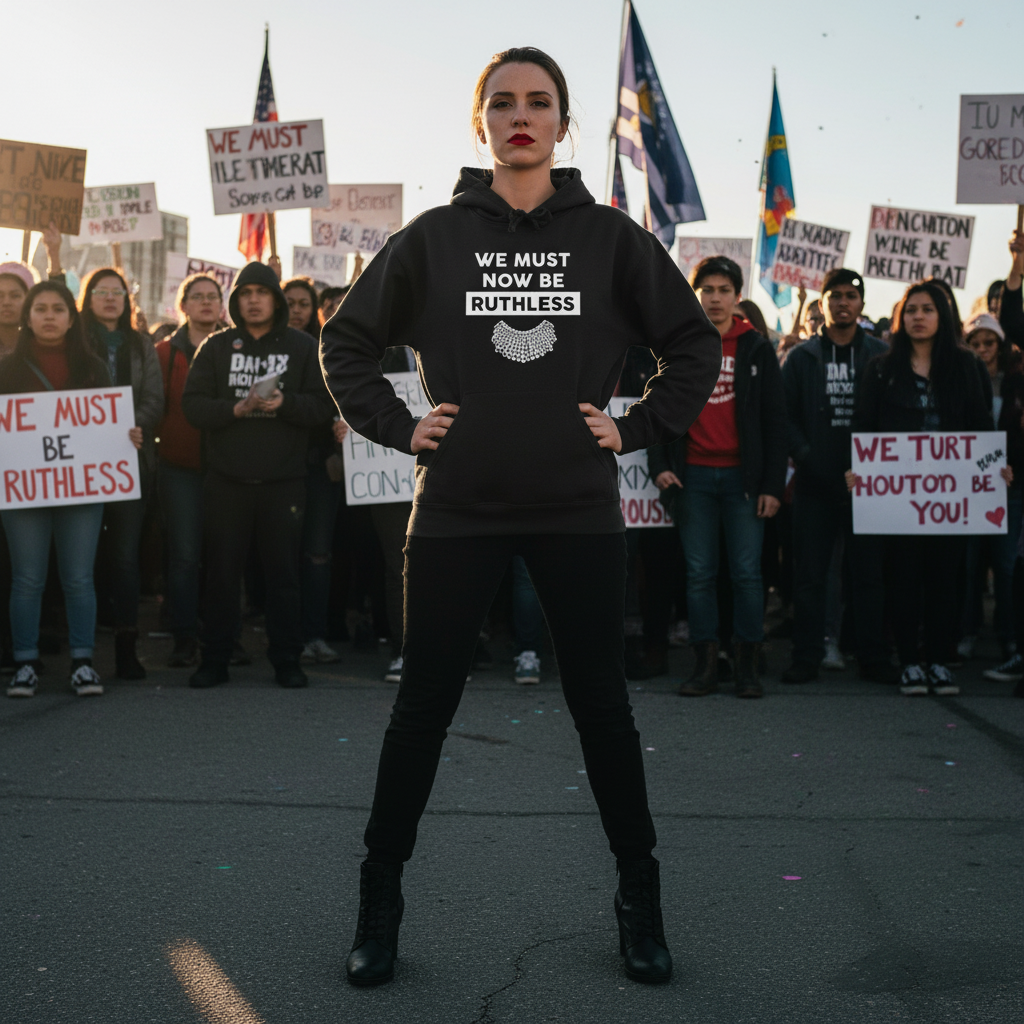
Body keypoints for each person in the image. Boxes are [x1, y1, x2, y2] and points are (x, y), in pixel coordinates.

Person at [320, 46, 720, 986]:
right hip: (457, 509)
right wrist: (401, 425)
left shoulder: (613, 238)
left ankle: (639, 899)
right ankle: (379, 902)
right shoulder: (433, 236)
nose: (520, 116)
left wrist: (637, 429)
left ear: (564, 123)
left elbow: (692, 344)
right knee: (421, 713)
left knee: (603, 714)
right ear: (481, 124)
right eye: (502, 103)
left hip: (577, 510)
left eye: (539, 102)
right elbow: (346, 341)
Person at [181, 262, 335, 689]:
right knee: (222, 576)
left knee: (283, 577)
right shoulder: (215, 347)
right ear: (236, 301)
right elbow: (192, 407)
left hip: (283, 484)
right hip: (226, 483)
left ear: (276, 300)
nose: (252, 300)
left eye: (261, 292)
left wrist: (283, 403)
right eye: (245, 293)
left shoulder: (304, 348)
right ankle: (215, 658)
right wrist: (235, 409)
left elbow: (323, 408)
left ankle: (287, 659)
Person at [649, 255, 787, 699]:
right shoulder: (681, 345)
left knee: (748, 575)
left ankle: (746, 665)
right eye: (706, 289)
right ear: (696, 295)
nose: (715, 298)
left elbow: (774, 421)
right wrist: (661, 465)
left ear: (737, 295)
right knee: (699, 574)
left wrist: (771, 486)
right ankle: (705, 665)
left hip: (743, 483)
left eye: (723, 290)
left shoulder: (757, 348)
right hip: (694, 479)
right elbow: (659, 406)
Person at [851, 281, 996, 696]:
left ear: (942, 316)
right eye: (911, 309)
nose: (918, 316)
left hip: (953, 500)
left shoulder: (966, 366)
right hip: (897, 501)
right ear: (901, 318)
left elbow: (981, 426)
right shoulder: (881, 368)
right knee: (903, 579)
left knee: (945, 580)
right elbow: (864, 426)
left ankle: (938, 659)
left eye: (927, 309)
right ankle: (910, 662)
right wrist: (858, 469)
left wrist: (994, 467)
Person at [1, 280, 142, 697]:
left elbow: (108, 423)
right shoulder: (6, 369)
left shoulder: (94, 366)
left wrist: (126, 435)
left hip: (81, 489)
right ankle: (25, 663)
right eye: (40, 308)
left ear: (70, 317)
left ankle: (82, 662)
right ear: (27, 317)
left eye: (57, 309)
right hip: (24, 488)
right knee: (27, 579)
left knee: (79, 578)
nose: (48, 316)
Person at [781, 268, 895, 683]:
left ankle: (873, 657)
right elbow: (785, 416)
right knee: (809, 576)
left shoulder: (880, 356)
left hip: (869, 485)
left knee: (868, 576)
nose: (843, 302)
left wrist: (875, 466)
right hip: (814, 481)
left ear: (862, 304)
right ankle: (806, 656)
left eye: (851, 295)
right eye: (835, 296)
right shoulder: (801, 358)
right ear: (823, 303)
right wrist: (809, 458)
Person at [79, 267, 163, 679]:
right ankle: (83, 649)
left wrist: (134, 424)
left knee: (126, 558)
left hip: (131, 460)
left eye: (117, 291)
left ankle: (126, 646)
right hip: (80, 464)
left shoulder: (140, 344)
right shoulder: (75, 341)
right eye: (101, 291)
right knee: (84, 556)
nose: (110, 298)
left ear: (126, 300)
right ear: (88, 297)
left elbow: (154, 398)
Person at [155, 273, 224, 667]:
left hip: (225, 470)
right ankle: (184, 637)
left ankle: (221, 635)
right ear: (183, 306)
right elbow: (153, 407)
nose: (204, 302)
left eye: (212, 296)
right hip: (178, 469)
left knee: (223, 557)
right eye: (196, 297)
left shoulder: (235, 348)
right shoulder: (165, 352)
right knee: (184, 556)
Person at [280, 275, 347, 665]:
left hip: (321, 467)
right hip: (280, 467)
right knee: (283, 554)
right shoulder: (268, 351)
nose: (297, 310)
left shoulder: (334, 348)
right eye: (288, 302)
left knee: (318, 553)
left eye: (304, 303)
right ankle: (286, 634)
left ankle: (315, 634)